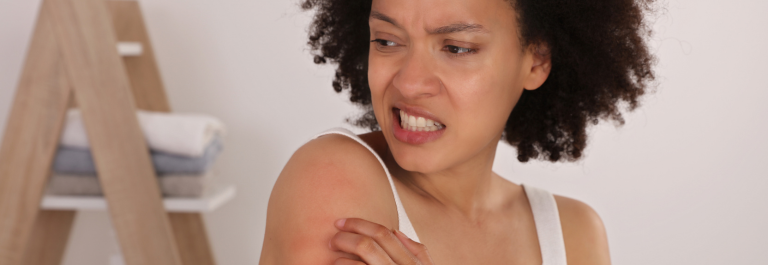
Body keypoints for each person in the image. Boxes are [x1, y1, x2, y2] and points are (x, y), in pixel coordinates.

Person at [259, 0, 655, 263]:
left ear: (536, 61)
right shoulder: (333, 178)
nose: (410, 83)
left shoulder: (575, 236)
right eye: (386, 40)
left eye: (457, 48)